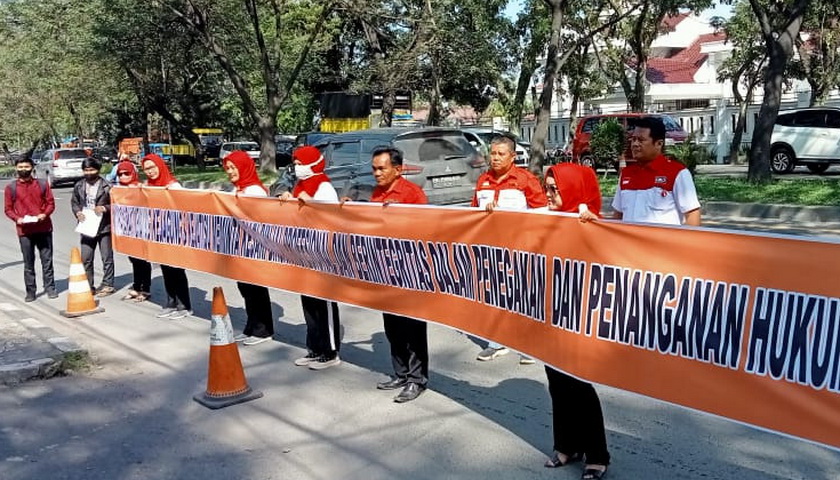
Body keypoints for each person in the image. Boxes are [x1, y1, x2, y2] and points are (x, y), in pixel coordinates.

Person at [542, 163, 609, 480]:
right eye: (547, 187)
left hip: (580, 317)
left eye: (555, 189)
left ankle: (597, 454)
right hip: (550, 313)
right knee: (556, 382)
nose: (549, 194)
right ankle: (567, 445)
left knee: (579, 384)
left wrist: (591, 226)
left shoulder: (594, 225)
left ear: (574, 190)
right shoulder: (545, 220)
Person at [471, 135, 547, 364]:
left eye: (500, 154)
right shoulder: (482, 180)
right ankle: (497, 342)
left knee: (524, 296)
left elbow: (542, 214)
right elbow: (472, 214)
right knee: (495, 295)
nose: (495, 158)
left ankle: (529, 345)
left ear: (513, 156)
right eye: (492, 153)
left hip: (521, 250)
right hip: (491, 251)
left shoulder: (526, 180)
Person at [366, 146, 429, 403]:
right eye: (374, 169)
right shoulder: (377, 193)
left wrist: (400, 216)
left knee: (412, 328)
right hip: (385, 269)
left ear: (398, 169)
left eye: (382, 168)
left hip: (409, 270)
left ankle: (417, 380)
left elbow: (426, 229)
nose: (377, 174)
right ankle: (400, 373)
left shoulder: (412, 194)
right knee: (392, 325)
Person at [280, 146, 342, 369]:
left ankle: (330, 351)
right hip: (303, 253)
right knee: (308, 303)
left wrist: (311, 202)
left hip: (321, 255)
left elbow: (331, 216)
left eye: (300, 163)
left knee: (323, 303)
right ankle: (314, 348)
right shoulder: (301, 185)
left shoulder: (323, 186)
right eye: (295, 164)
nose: (297, 168)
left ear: (312, 164)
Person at [223, 150, 276, 346]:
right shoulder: (236, 190)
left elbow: (261, 220)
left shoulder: (255, 191)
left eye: (233, 167)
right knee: (245, 288)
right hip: (239, 248)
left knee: (256, 289)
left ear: (244, 167)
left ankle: (263, 330)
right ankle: (251, 326)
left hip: (254, 248)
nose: (230, 172)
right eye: (227, 168)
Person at [611, 116, 701, 226]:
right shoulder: (626, 174)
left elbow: (692, 215)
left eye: (641, 140)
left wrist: (682, 242)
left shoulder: (678, 173)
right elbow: (617, 216)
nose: (635, 144)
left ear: (659, 143)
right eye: (633, 139)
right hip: (630, 243)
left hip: (664, 243)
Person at [142, 153, 192, 319]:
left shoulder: (173, 186)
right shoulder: (149, 187)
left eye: (152, 167)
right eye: (146, 169)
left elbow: (185, 209)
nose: (150, 172)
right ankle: (171, 302)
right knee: (166, 269)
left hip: (175, 234)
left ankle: (184, 305)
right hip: (159, 234)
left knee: (176, 269)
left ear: (160, 166)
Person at [3, 157, 57, 301]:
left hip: (43, 228)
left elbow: (50, 203)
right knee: (28, 262)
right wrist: (17, 218)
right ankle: (31, 291)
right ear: (16, 168)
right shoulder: (11, 188)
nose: (23, 170)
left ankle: (50, 287)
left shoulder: (42, 184)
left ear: (32, 167)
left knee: (47, 260)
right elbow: (8, 209)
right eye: (20, 167)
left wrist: (44, 214)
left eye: (26, 167)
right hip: (24, 231)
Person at [71, 157, 115, 297]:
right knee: (86, 257)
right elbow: (75, 202)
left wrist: (104, 208)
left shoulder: (107, 186)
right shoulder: (79, 185)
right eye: (86, 170)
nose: (89, 173)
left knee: (106, 257)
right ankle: (89, 285)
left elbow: (116, 204)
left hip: (104, 227)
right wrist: (77, 212)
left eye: (92, 170)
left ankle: (108, 284)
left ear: (98, 169)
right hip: (87, 226)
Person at [113, 160, 152, 303]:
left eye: (126, 173)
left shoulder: (140, 188)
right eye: (120, 174)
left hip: (141, 229)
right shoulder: (118, 190)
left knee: (142, 260)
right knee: (133, 260)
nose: (123, 177)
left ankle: (145, 288)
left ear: (133, 173)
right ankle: (136, 286)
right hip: (127, 230)